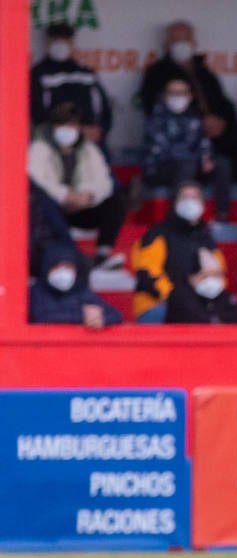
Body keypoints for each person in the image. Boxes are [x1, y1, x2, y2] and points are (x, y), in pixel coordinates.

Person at [27, 103, 127, 270]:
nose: (67, 130)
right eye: (62, 125)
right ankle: (73, 255)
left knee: (114, 198)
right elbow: (37, 180)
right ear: (53, 126)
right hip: (52, 208)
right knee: (44, 202)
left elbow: (104, 181)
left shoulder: (88, 148)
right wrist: (65, 196)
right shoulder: (39, 147)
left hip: (81, 206)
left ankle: (103, 254)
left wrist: (88, 195)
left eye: (72, 125)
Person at [137, 20, 237, 162]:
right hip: (181, 131)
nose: (182, 44)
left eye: (186, 40)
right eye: (176, 40)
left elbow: (222, 101)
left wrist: (222, 121)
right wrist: (198, 122)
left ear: (193, 43)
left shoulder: (205, 73)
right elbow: (152, 107)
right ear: (167, 44)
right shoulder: (156, 72)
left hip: (215, 132)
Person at [130, 182, 227, 323]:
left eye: (195, 197)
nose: (190, 202)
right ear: (175, 203)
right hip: (158, 303)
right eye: (184, 197)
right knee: (191, 313)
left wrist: (205, 284)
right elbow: (147, 274)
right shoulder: (157, 233)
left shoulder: (206, 237)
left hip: (195, 302)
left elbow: (219, 274)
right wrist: (179, 295)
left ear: (203, 204)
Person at [142, 77, 233, 222]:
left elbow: (204, 143)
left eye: (181, 93)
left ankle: (222, 214)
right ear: (165, 96)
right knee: (186, 163)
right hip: (160, 169)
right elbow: (165, 150)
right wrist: (196, 158)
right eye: (173, 93)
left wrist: (206, 157)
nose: (177, 97)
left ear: (190, 96)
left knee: (221, 163)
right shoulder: (156, 118)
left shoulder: (194, 117)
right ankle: (175, 219)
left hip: (190, 165)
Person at [30, 22, 112, 146]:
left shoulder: (86, 73)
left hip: (88, 139)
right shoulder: (38, 74)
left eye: (65, 40)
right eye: (55, 40)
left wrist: (100, 130)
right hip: (55, 140)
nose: (60, 44)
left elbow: (104, 108)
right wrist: (63, 131)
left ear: (71, 43)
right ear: (47, 43)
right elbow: (36, 112)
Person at [29, 246, 121, 329]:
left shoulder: (80, 291)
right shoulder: (36, 291)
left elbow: (115, 315)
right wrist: (83, 315)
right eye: (57, 267)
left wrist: (98, 317)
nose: (63, 272)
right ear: (47, 268)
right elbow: (43, 316)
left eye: (68, 267)